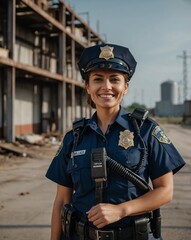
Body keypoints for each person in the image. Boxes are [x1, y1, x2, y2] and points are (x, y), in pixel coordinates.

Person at [46, 43, 185, 240]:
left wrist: (122, 210)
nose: (106, 86)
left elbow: (165, 191)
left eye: (114, 79)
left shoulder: (146, 131)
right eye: (97, 79)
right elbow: (62, 199)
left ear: (125, 87)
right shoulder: (75, 137)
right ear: (87, 86)